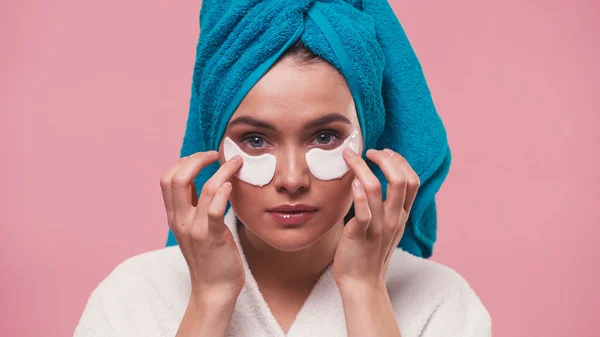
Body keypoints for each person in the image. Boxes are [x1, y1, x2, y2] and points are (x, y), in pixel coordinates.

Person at [75, 1, 491, 336]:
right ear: (214, 146)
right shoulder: (131, 297)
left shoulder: (441, 303)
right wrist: (210, 299)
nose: (292, 180)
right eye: (255, 140)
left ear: (369, 142)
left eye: (325, 137)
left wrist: (366, 293)